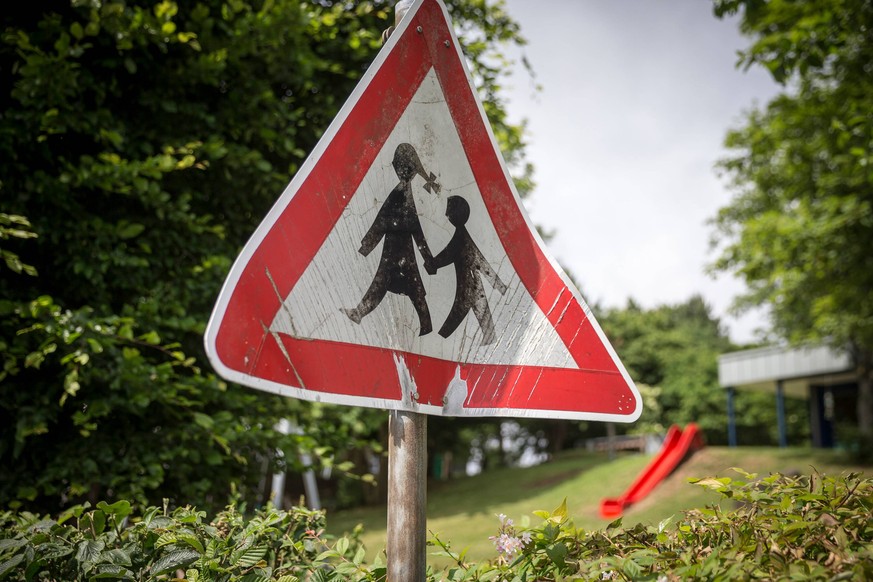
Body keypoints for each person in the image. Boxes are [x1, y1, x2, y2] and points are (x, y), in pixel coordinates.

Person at [342, 143, 440, 335]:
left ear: (401, 167)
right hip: (395, 247)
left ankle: (426, 325)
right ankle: (359, 313)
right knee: (388, 282)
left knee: (409, 286)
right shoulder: (401, 192)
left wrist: (427, 257)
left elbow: (407, 226)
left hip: (400, 249)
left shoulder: (401, 194)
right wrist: (367, 244)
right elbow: (386, 219)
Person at [429, 195, 507, 344]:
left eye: (448, 211)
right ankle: (490, 342)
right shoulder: (463, 236)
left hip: (468, 287)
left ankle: (437, 343)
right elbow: (482, 263)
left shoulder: (460, 238)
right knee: (485, 322)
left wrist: (431, 264)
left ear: (454, 214)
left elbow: (447, 256)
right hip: (474, 285)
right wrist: (499, 286)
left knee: (456, 320)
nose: (446, 215)